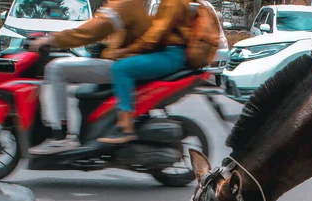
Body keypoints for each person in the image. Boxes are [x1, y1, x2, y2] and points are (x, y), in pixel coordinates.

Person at [27, 0, 151, 155]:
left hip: (121, 64)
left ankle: (59, 135)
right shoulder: (126, 4)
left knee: (56, 68)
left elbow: (93, 30)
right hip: (122, 60)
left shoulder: (126, 3)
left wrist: (52, 40)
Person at [97, 0, 194, 144]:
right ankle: (138, 115)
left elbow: (154, 35)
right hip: (168, 52)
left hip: (171, 55)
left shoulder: (172, 2)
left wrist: (125, 51)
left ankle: (125, 126)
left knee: (122, 68)